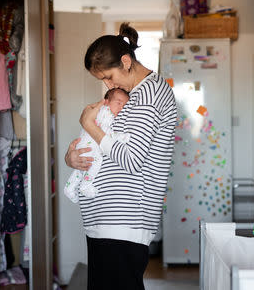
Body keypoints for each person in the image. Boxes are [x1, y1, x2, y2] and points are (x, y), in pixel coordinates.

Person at [64, 22, 177, 290]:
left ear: (126, 61)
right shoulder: (131, 95)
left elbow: (131, 158)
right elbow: (106, 144)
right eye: (102, 79)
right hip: (107, 219)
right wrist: (74, 159)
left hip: (124, 221)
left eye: (108, 76)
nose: (107, 84)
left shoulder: (148, 95)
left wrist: (88, 124)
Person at [63, 88, 130, 203]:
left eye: (124, 105)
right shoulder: (105, 112)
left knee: (82, 168)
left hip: (85, 144)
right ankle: (85, 186)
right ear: (106, 101)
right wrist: (121, 137)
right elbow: (104, 131)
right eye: (118, 103)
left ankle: (69, 188)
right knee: (96, 161)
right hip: (90, 145)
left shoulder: (101, 111)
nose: (121, 108)